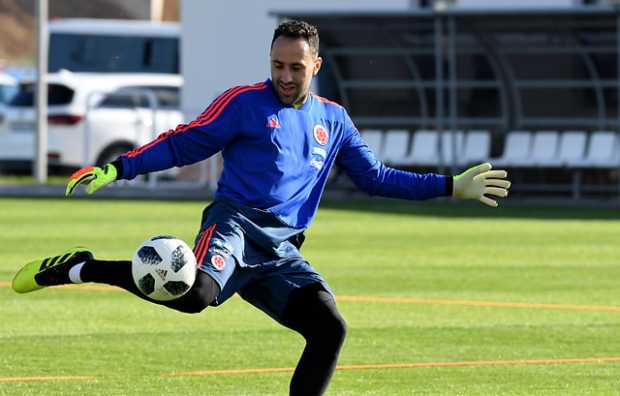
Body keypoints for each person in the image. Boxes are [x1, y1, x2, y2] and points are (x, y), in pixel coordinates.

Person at [12, 20, 510, 396]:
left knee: (329, 329)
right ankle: (82, 267)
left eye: (296, 67)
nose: (286, 76)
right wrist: (121, 167)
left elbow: (376, 178)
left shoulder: (333, 120)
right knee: (195, 296)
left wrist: (450, 187)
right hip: (234, 226)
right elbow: (186, 142)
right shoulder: (244, 103)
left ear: (316, 66)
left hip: (282, 252)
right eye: (278, 66)